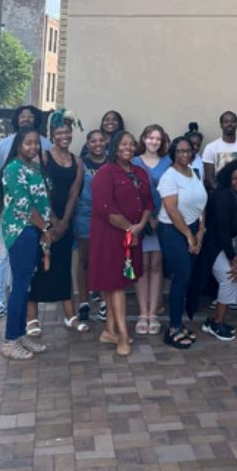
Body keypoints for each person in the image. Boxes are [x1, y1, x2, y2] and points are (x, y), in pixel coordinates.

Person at [89, 130, 153, 356]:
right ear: (115, 147)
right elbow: (104, 207)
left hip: (132, 234)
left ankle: (109, 330)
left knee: (117, 283)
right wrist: (129, 228)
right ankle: (123, 336)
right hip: (110, 235)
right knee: (114, 284)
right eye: (123, 144)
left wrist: (139, 226)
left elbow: (148, 203)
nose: (128, 147)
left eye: (131, 144)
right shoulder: (105, 173)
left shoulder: (139, 172)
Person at [0, 104, 51, 319]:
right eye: (22, 116)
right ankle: (2, 304)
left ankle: (24, 325)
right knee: (11, 268)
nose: (26, 119)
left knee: (26, 279)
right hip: (18, 226)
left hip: (36, 226)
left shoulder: (43, 150)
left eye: (30, 116)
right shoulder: (10, 159)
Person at [0, 129, 53, 360]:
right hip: (21, 232)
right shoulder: (13, 169)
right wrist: (46, 229)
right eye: (29, 143)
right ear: (19, 144)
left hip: (34, 231)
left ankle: (19, 335)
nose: (33, 147)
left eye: (36, 143)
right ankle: (10, 341)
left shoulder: (34, 168)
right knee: (20, 285)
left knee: (26, 285)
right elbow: (23, 206)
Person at [27, 110, 85, 336]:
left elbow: (73, 193)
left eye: (67, 132)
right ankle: (32, 318)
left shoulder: (77, 162)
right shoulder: (42, 158)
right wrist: (52, 223)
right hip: (42, 220)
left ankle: (70, 315)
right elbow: (39, 192)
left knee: (62, 266)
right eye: (59, 132)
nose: (64, 136)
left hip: (65, 220)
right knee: (38, 267)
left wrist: (64, 222)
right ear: (51, 134)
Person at [158, 136, 208, 349]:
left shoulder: (195, 173)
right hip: (173, 231)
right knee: (182, 276)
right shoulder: (169, 176)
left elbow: (201, 205)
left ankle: (179, 322)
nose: (184, 154)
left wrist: (201, 232)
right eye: (180, 151)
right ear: (173, 153)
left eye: (188, 150)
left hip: (194, 229)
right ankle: (173, 328)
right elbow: (171, 210)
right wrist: (189, 235)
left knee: (187, 279)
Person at [202, 159, 237, 341]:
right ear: (228, 180)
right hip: (216, 245)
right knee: (229, 277)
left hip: (235, 245)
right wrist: (233, 259)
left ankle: (213, 319)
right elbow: (222, 231)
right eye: (235, 178)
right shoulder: (223, 196)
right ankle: (217, 323)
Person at [133, 124, 171, 336]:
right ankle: (142, 313)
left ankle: (153, 313)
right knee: (142, 267)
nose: (154, 141)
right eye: (150, 137)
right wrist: (145, 219)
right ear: (143, 139)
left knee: (156, 266)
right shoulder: (134, 161)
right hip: (140, 222)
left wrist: (158, 218)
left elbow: (171, 192)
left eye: (158, 138)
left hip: (162, 219)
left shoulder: (168, 162)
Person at [74, 128, 108, 324]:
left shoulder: (111, 162)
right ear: (87, 144)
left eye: (100, 140)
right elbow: (75, 190)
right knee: (85, 260)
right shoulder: (81, 163)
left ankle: (104, 302)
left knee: (104, 260)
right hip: (85, 215)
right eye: (93, 141)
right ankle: (84, 302)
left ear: (105, 142)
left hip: (107, 216)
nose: (97, 144)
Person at [202, 111, 237, 187]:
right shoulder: (210, 148)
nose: (229, 124)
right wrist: (220, 192)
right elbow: (209, 178)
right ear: (221, 125)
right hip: (220, 191)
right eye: (226, 122)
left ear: (236, 125)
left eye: (233, 121)